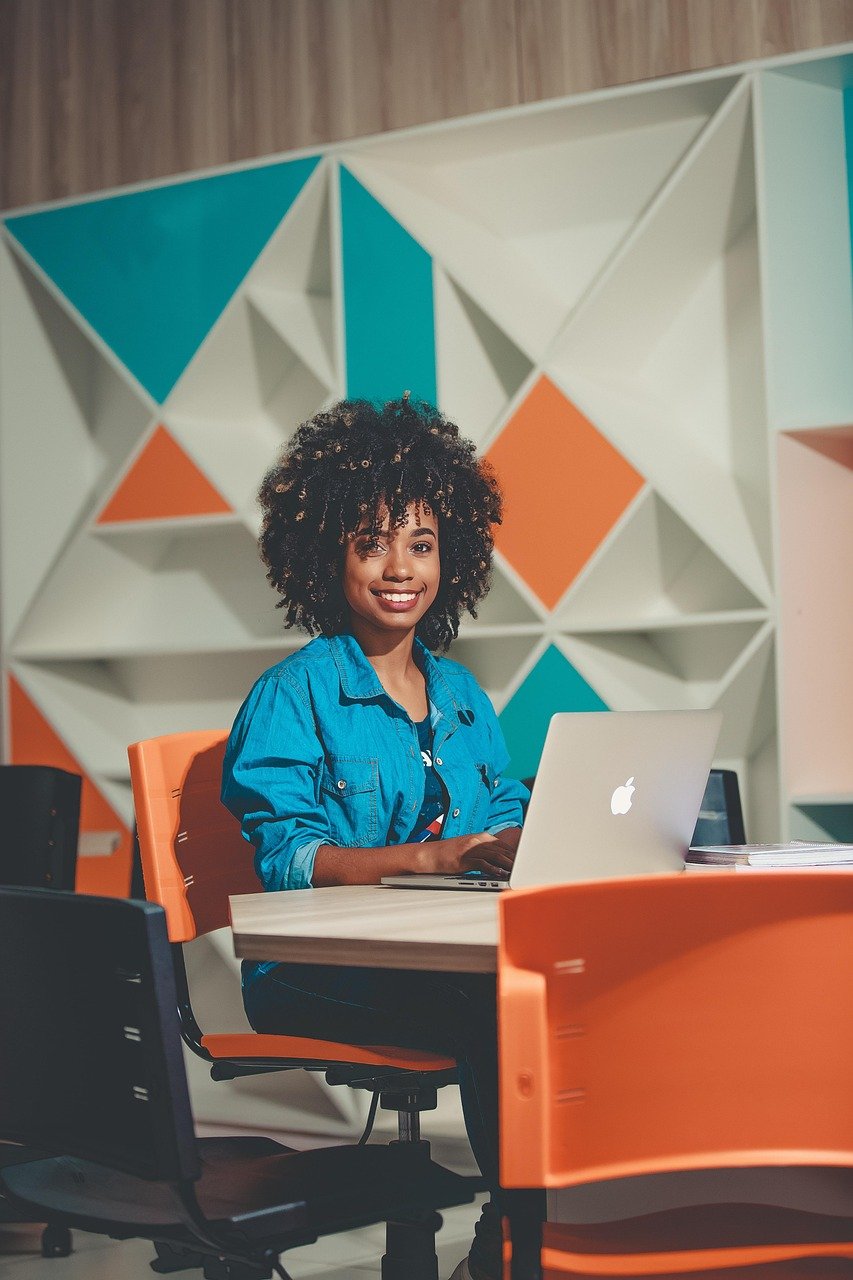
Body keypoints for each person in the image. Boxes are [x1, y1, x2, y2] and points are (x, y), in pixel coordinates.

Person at [221, 395, 528, 1280]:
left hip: (436, 959)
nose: (400, 568)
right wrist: (436, 858)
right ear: (327, 555)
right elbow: (289, 861)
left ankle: (562, 1220)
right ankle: (514, 1237)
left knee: (557, 989)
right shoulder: (293, 695)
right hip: (313, 975)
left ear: (450, 557)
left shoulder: (461, 694)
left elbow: (501, 803)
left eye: (421, 544)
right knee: (502, 1007)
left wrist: (534, 834)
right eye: (372, 543)